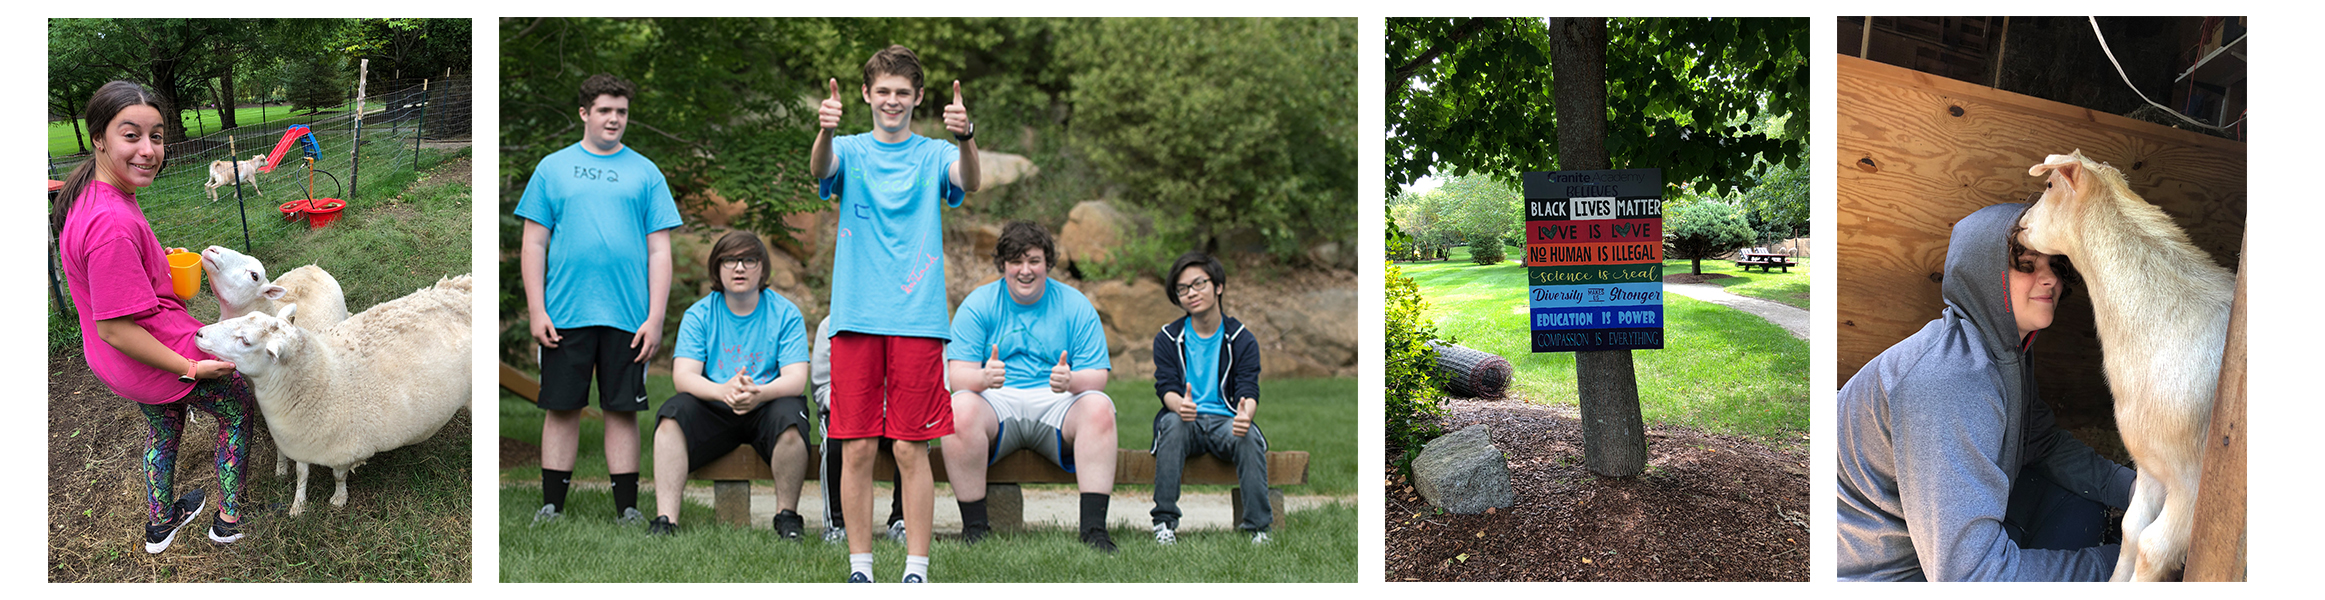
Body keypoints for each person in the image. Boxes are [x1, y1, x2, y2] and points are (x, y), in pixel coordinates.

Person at [1836, 202, 2136, 581]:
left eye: (2056, 265)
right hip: (1882, 572)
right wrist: (2128, 568)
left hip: (1930, 545)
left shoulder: (2005, 350)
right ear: (1982, 272)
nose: (2049, 280)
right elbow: (1971, 577)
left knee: (2081, 505)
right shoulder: (1950, 379)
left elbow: (2040, 443)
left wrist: (2138, 493)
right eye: (2026, 262)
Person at [53, 80, 251, 553]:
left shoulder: (93, 195)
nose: (148, 150)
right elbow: (116, 327)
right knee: (239, 407)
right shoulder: (111, 224)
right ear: (99, 137)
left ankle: (161, 521)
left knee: (164, 427)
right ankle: (228, 520)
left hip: (119, 366)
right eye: (131, 135)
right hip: (154, 357)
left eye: (156, 136)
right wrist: (191, 368)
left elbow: (108, 282)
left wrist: (151, 264)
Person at [809, 44, 981, 583]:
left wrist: (966, 137)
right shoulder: (851, 149)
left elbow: (968, 181)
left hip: (918, 320)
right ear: (865, 94)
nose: (891, 101)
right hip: (856, 318)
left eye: (902, 93)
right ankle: (861, 569)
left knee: (911, 447)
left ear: (918, 98)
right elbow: (821, 168)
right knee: (856, 445)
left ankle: (916, 570)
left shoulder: (932, 155)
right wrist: (826, 131)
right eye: (882, 91)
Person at [516, 74, 682, 527]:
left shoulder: (646, 173)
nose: (614, 119)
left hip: (629, 315)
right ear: (585, 113)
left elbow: (660, 250)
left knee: (622, 411)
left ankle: (627, 508)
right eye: (605, 110)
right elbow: (534, 244)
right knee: (562, 406)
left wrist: (655, 317)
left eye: (622, 111)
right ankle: (551, 506)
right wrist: (537, 309)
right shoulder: (553, 168)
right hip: (565, 313)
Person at [941, 221, 1118, 553]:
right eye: (1016, 261)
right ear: (1003, 265)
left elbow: (1097, 376)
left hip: (1057, 402)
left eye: (1034, 260)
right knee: (958, 409)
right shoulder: (979, 304)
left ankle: (1094, 531)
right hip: (998, 402)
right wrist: (983, 378)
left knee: (1099, 407)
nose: (1025, 270)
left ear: (1047, 264)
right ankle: (975, 528)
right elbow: (957, 377)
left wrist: (1072, 380)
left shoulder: (1074, 304)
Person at [646, 232, 813, 539]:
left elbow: (795, 379)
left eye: (749, 260)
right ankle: (666, 520)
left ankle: (787, 516)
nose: (739, 268)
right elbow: (683, 376)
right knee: (671, 415)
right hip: (714, 406)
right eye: (730, 260)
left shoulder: (785, 313)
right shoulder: (699, 314)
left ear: (762, 269)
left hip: (766, 405)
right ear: (716, 269)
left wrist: (758, 393)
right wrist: (722, 391)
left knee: (791, 419)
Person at [1149, 251, 1271, 545]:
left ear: (1218, 286)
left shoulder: (1241, 338)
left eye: (1199, 284)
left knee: (1249, 436)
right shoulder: (1168, 338)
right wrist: (1180, 405)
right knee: (1173, 425)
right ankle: (1164, 524)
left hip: (1225, 420)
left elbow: (1248, 388)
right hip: (1184, 418)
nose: (1191, 293)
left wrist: (1245, 415)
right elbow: (1165, 386)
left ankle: (1258, 529)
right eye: (1183, 289)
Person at [809, 315, 909, 545]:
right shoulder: (831, 324)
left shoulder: (900, 320)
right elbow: (822, 387)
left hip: (890, 410)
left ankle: (901, 521)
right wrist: (853, 405)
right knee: (834, 444)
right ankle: (836, 524)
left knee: (911, 442)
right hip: (844, 407)